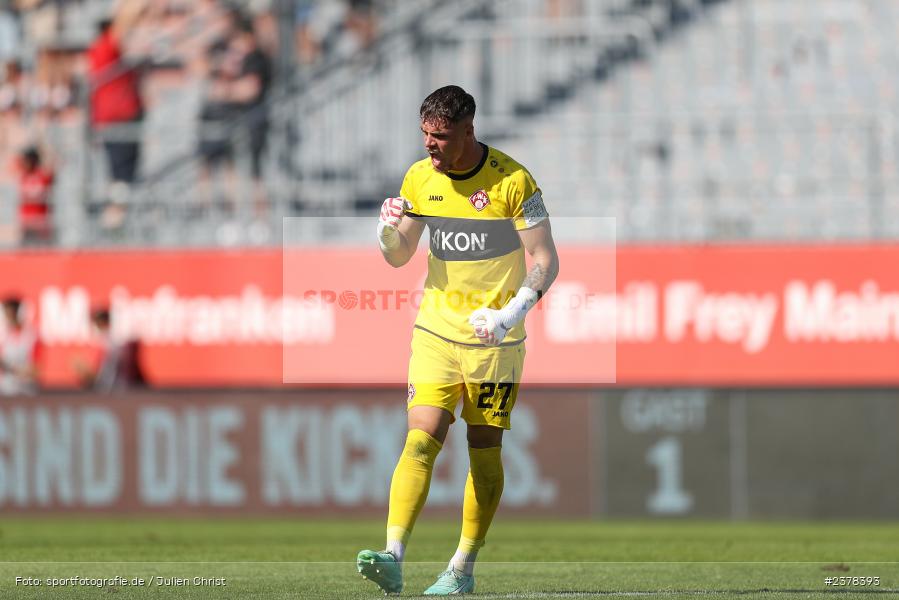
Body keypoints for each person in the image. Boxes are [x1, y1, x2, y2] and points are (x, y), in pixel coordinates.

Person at [357, 85, 559, 595]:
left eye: (441, 137)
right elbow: (401, 256)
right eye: (425, 134)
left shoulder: (513, 181)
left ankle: (461, 568)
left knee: (484, 450)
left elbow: (546, 261)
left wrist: (510, 314)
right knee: (420, 439)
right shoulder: (419, 178)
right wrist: (387, 236)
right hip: (436, 332)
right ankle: (393, 555)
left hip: (496, 343)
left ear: (468, 130)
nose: (430, 145)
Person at [73, 308, 145, 393]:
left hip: (113, 389)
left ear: (104, 323)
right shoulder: (101, 342)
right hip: (106, 388)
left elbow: (108, 373)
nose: (95, 328)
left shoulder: (113, 343)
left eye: (97, 323)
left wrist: (91, 374)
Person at [0, 295, 40, 396]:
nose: (9, 317)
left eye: (11, 313)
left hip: (27, 391)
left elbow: (36, 369)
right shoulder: (3, 335)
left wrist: (17, 370)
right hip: (6, 391)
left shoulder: (31, 336)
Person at [16, 146, 55, 245]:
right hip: (26, 221)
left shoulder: (42, 175)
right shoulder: (23, 175)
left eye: (27, 159)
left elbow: (53, 166)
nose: (25, 162)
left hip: (40, 222)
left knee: (42, 251)